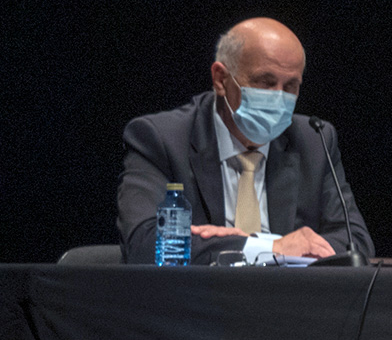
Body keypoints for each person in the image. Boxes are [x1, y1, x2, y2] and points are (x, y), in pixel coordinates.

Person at [116, 18, 372, 265]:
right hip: (199, 303)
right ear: (221, 79)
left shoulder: (314, 140)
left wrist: (266, 244)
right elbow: (144, 244)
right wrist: (269, 248)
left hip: (289, 304)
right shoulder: (161, 139)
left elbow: (356, 243)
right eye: (265, 82)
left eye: (291, 86)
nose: (278, 98)